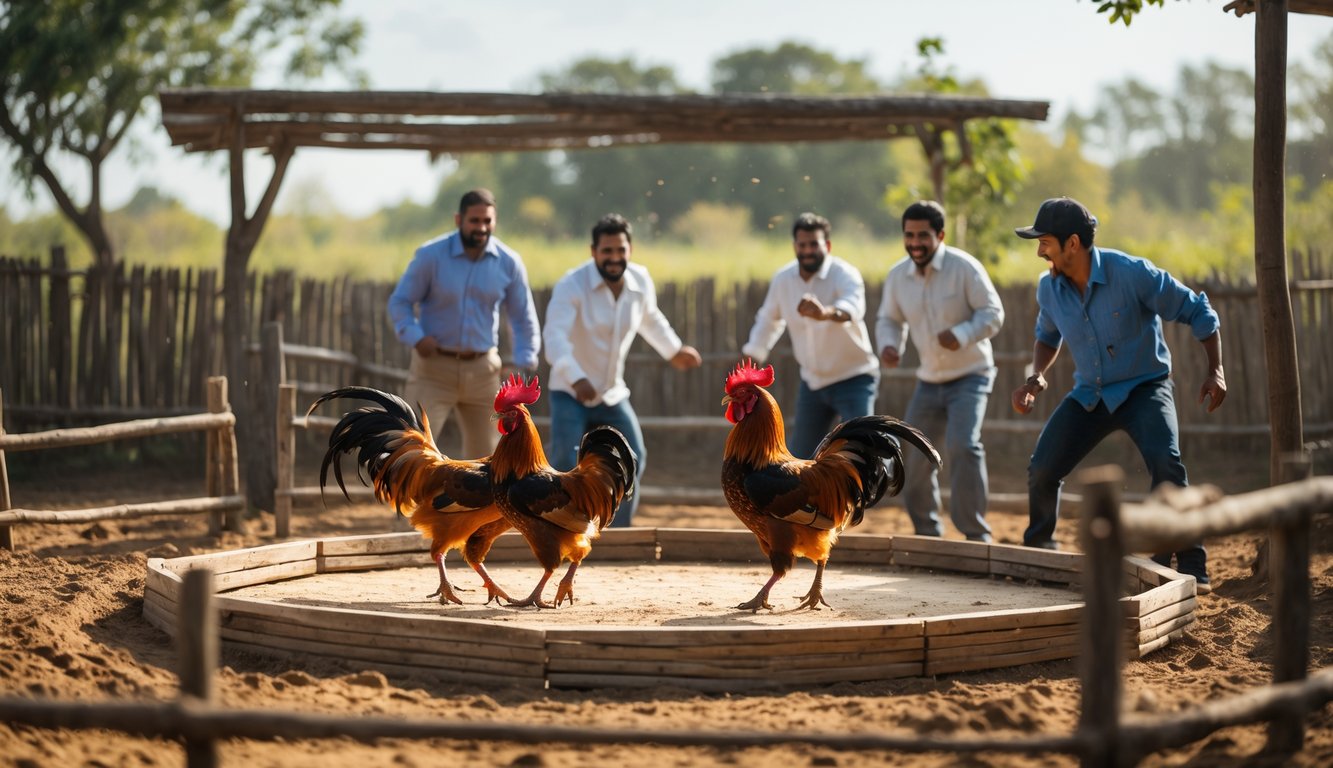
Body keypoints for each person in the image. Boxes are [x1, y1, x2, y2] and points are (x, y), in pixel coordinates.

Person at [1010, 196, 1227, 592]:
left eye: (1044, 241)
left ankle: (1192, 565)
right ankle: (1040, 549)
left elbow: (1197, 309)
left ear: (1071, 243)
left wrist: (1216, 369)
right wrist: (1036, 377)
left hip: (1144, 385)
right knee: (1042, 469)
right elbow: (1047, 336)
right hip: (1090, 393)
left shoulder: (1131, 273)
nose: (1039, 249)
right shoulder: (1049, 289)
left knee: (1166, 462)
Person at [543, 213, 702, 527]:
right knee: (565, 461)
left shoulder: (640, 280)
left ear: (630, 250)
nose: (614, 258)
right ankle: (559, 528)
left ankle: (618, 530)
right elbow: (554, 338)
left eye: (620, 251)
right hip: (570, 392)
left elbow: (650, 318)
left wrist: (674, 350)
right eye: (607, 251)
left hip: (612, 392)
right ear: (593, 252)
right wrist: (577, 378)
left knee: (634, 457)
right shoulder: (572, 285)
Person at [876, 201, 1004, 542]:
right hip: (929, 380)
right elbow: (889, 319)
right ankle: (927, 535)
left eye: (923, 235)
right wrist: (890, 345)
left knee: (963, 445)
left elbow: (993, 313)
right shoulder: (897, 276)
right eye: (909, 235)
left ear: (940, 235)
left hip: (971, 375)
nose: (915, 242)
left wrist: (961, 334)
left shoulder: (965, 268)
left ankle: (976, 535)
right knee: (913, 454)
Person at [388, 188, 541, 460]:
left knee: (489, 461)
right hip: (434, 368)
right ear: (459, 220)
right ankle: (405, 505)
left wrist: (524, 359)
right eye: (474, 221)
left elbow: (522, 317)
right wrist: (416, 337)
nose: (481, 227)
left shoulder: (509, 263)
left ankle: (478, 505)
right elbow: (399, 302)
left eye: (487, 221)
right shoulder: (430, 256)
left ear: (494, 221)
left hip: (483, 372)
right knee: (412, 452)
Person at [742, 212, 880, 459]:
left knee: (860, 453)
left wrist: (825, 313)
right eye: (802, 245)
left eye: (813, 244)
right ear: (795, 246)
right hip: (812, 383)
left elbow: (853, 308)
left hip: (854, 378)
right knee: (800, 461)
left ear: (826, 245)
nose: (807, 250)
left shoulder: (844, 273)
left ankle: (869, 492)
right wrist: (753, 356)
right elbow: (768, 320)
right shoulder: (784, 279)